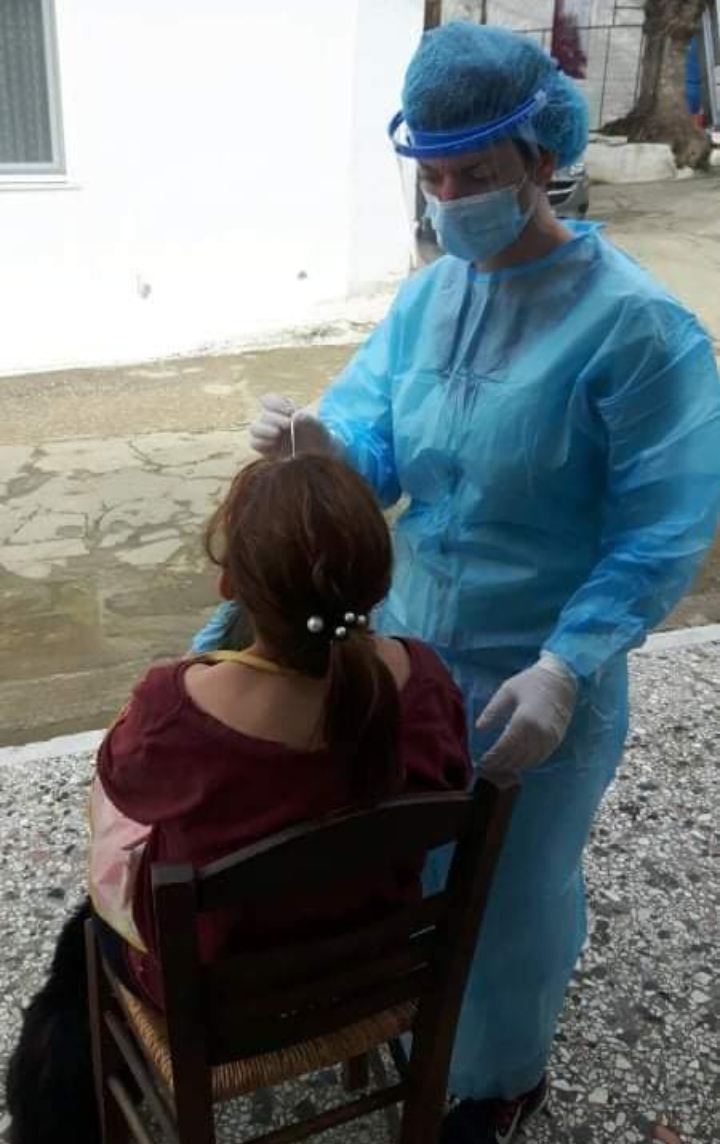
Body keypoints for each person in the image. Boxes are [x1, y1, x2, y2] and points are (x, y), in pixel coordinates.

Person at [194, 22, 720, 1144]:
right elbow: (379, 445)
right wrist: (323, 450)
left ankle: (499, 1078)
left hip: (539, 670)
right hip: (413, 654)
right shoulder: (432, 300)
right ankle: (417, 1027)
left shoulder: (638, 330)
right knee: (411, 870)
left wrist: (570, 666)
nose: (448, 201)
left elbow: (660, 532)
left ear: (542, 157)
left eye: (474, 174)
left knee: (514, 894)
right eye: (431, 177)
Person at [6, 452, 471, 1144]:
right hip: (373, 962)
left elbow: (119, 790)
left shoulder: (175, 708)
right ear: (379, 581)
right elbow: (451, 773)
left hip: (220, 1000)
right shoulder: (428, 682)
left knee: (88, 932)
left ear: (231, 586)